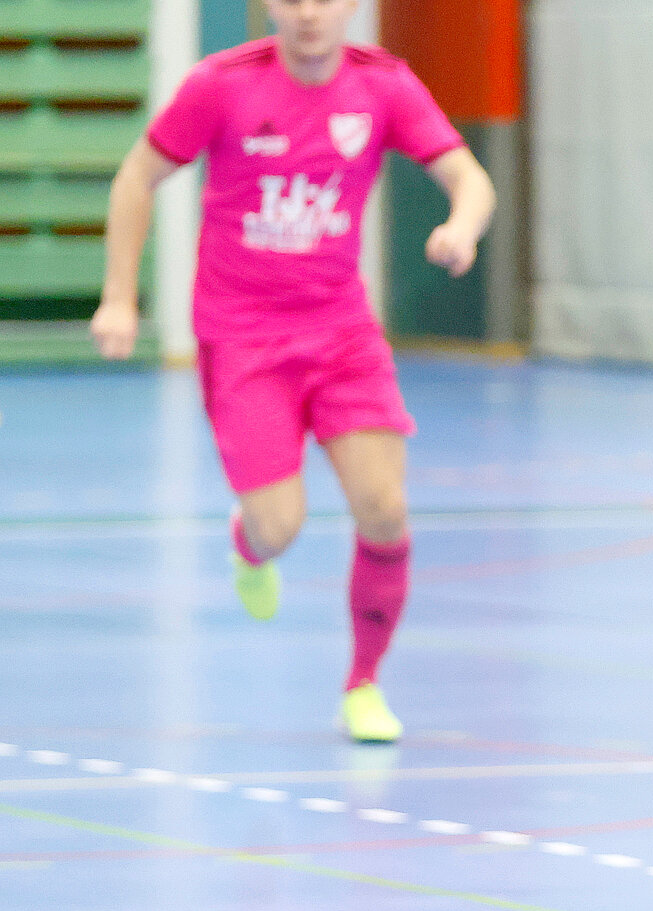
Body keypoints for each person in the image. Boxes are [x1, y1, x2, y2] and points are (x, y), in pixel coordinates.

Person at [91, 0, 496, 742]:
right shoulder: (221, 85)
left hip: (343, 335)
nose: (310, 12)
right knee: (280, 526)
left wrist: (459, 227)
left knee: (385, 509)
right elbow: (134, 180)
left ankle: (364, 684)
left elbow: (471, 178)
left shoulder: (385, 86)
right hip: (243, 339)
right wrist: (120, 298)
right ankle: (250, 546)